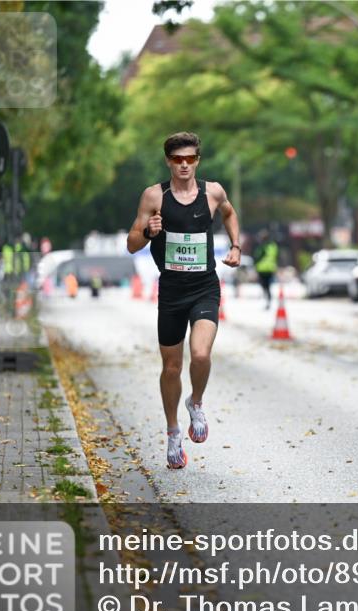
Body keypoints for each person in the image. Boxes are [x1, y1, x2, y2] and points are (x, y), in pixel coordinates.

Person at [127, 132, 241, 469]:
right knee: (172, 367)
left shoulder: (213, 192)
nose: (184, 165)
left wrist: (236, 246)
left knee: (201, 354)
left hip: (205, 286)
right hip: (172, 291)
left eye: (190, 159)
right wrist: (148, 232)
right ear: (169, 161)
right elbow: (131, 243)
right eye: (178, 159)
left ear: (197, 160)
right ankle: (173, 431)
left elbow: (229, 213)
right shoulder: (154, 196)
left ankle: (196, 402)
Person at [253, 229, 278, 309]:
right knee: (268, 286)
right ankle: (268, 300)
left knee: (264, 286)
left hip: (262, 269)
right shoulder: (273, 246)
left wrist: (255, 265)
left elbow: (257, 256)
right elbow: (276, 256)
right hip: (270, 268)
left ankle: (267, 300)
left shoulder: (262, 246)